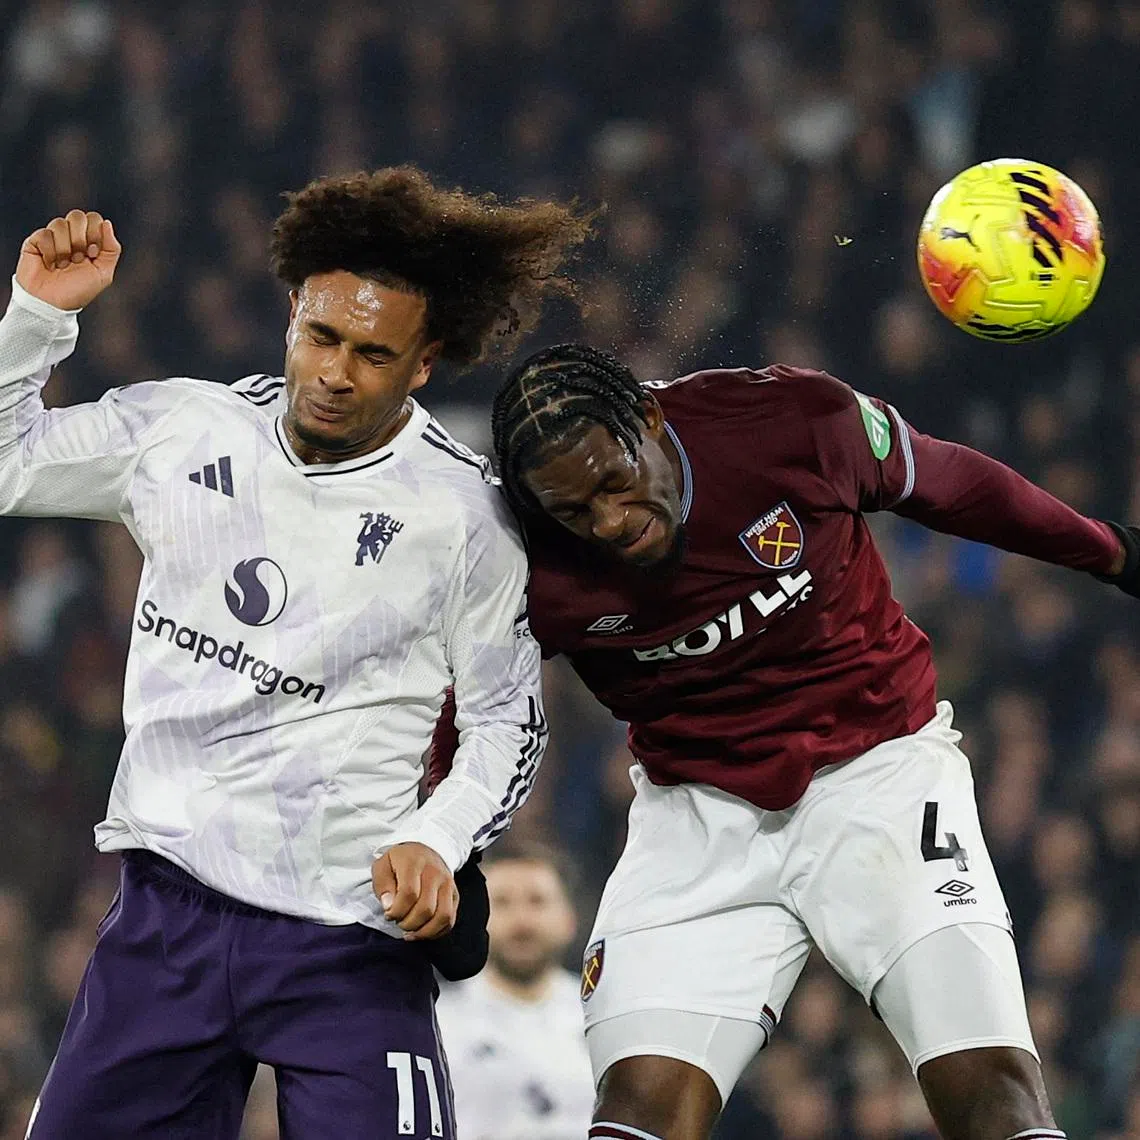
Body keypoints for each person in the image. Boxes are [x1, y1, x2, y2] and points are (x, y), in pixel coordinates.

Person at [0, 167, 590, 1139]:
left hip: (348, 938)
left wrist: (438, 842)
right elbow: (11, 464)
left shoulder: (465, 519)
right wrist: (35, 317)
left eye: (372, 352)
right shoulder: (182, 430)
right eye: (321, 336)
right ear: (291, 316)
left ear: (424, 364)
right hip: (166, 913)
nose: (335, 372)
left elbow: (506, 724)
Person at [489, 342, 1139, 1140]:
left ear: (650, 418)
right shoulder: (515, 551)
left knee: (991, 1094)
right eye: (573, 512)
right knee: (635, 1117)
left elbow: (952, 482)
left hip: (882, 775)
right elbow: (468, 704)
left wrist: (1111, 550)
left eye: (614, 483)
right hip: (696, 817)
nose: (608, 523)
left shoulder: (791, 422)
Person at [434, 842, 595, 1140]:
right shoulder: (437, 1023)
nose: (522, 921)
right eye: (503, 902)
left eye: (537, 901)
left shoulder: (603, 1017)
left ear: (569, 919)